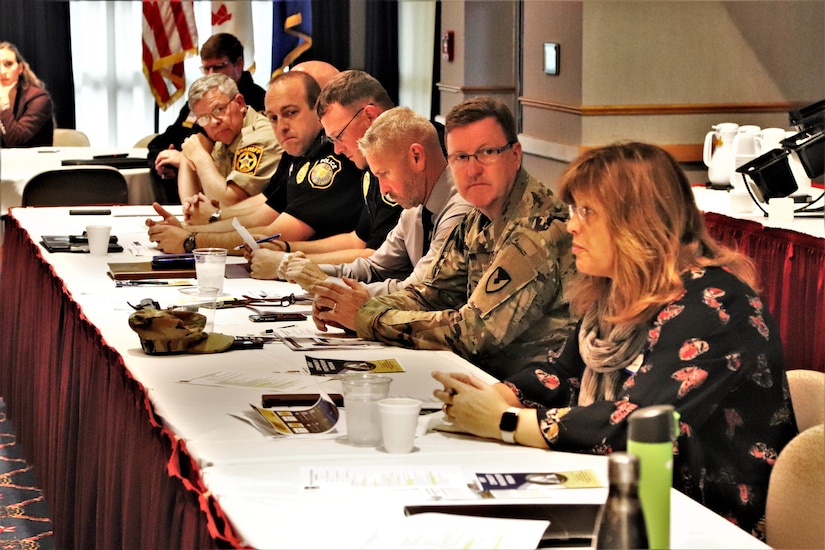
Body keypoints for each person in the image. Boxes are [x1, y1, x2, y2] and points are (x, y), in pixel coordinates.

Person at [432, 142, 797, 540]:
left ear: (638, 221)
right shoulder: (619, 292)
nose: (571, 225)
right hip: (625, 498)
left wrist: (503, 422)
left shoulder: (716, 306)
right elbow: (563, 373)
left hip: (704, 522)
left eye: (586, 212)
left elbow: (635, 423)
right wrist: (497, 396)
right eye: (573, 210)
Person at [314, 97, 576, 380]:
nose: (472, 170)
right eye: (460, 157)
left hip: (531, 397)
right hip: (481, 379)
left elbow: (473, 332)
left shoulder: (536, 229)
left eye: (487, 152)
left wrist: (367, 317)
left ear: (515, 155)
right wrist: (358, 306)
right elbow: (430, 295)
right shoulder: (478, 217)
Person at [266, 106, 472, 313]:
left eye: (385, 174)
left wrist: (327, 285)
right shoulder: (415, 207)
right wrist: (310, 272)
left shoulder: (462, 208)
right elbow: (373, 268)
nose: (383, 190)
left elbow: (418, 292)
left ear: (416, 156)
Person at [147, 68, 363, 254]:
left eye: (291, 112)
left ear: (319, 109)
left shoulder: (332, 159)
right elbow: (263, 209)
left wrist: (191, 240)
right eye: (274, 118)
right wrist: (189, 228)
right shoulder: (298, 151)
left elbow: (273, 232)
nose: (282, 126)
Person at [249, 69, 403, 266]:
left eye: (339, 136)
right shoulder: (371, 165)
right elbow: (355, 241)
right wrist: (287, 248)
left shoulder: (400, 158)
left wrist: (285, 262)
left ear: (369, 116)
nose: (337, 150)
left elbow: (379, 257)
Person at [148, 33, 266, 202]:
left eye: (218, 67)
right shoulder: (199, 101)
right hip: (196, 194)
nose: (210, 74)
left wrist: (187, 160)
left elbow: (231, 197)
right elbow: (165, 140)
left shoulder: (258, 102)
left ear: (239, 64)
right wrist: (165, 162)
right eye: (206, 68)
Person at [175, 73, 281, 208]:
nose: (214, 122)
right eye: (204, 118)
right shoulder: (225, 140)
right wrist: (188, 154)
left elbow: (229, 204)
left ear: (240, 103)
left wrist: (200, 157)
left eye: (219, 110)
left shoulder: (259, 138)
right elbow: (193, 204)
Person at [0, 42, 54, 148]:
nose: (2, 71)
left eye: (8, 64)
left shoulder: (39, 98)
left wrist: (4, 103)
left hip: (34, 162)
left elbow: (15, 141)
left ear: (20, 68)